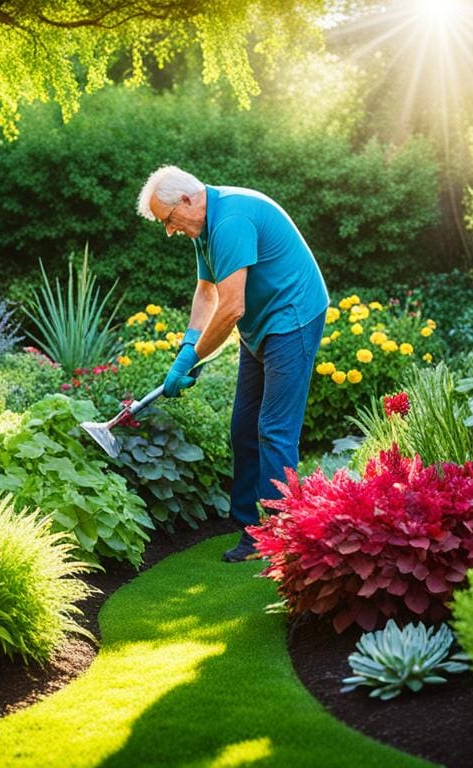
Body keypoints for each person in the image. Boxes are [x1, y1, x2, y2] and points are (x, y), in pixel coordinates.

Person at [137, 166, 328, 562]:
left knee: (274, 430)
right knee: (243, 428)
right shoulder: (205, 227)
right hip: (261, 326)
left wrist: (193, 358)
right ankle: (249, 528)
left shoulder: (231, 221)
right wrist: (189, 346)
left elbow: (233, 306)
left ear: (187, 200)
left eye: (169, 220)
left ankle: (280, 538)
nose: (169, 231)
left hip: (292, 316)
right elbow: (206, 293)